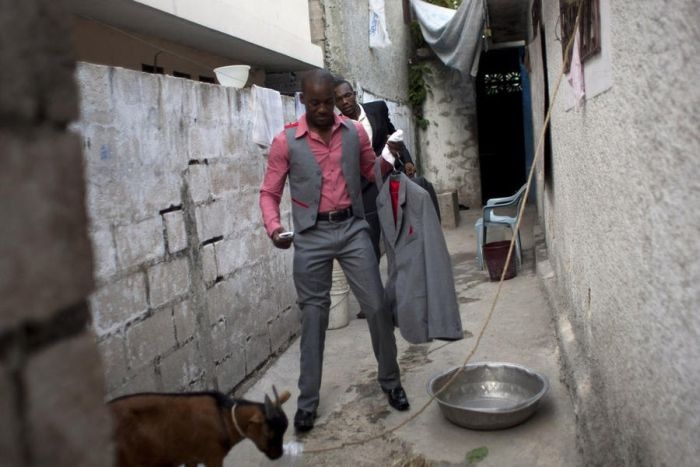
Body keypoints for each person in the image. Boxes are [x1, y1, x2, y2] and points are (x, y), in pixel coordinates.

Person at [259, 69, 410, 433]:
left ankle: (391, 381)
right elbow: (269, 192)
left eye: (328, 101)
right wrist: (274, 227)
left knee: (376, 306)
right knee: (314, 318)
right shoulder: (286, 142)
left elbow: (369, 173)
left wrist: (389, 160)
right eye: (316, 103)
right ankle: (307, 402)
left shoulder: (353, 132)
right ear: (303, 101)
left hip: (353, 228)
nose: (325, 109)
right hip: (311, 236)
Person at [334, 80, 415, 265]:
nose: (344, 101)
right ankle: (375, 285)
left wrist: (407, 160)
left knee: (399, 230)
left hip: (388, 179)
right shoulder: (337, 127)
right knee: (371, 239)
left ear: (354, 94)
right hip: (364, 190)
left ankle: (404, 277)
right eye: (339, 99)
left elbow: (393, 136)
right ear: (336, 103)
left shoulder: (377, 109)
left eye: (347, 95)